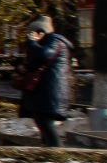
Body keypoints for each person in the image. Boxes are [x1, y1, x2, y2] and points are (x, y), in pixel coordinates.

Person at [18, 16, 73, 147]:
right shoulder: (44, 42)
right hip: (44, 92)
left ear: (41, 32)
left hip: (51, 91)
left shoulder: (55, 40)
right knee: (42, 122)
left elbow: (45, 55)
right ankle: (49, 152)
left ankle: (57, 154)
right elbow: (35, 62)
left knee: (46, 123)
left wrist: (32, 43)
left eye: (34, 33)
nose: (31, 37)